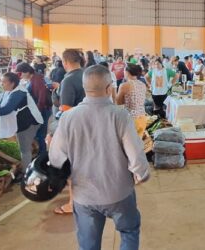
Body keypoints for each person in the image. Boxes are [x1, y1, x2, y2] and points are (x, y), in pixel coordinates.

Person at [49, 65, 150, 250]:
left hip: (84, 194)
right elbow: (135, 153)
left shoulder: (68, 118)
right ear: (108, 88)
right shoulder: (119, 115)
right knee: (129, 232)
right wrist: (141, 174)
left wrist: (65, 179)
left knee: (89, 244)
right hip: (118, 191)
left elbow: (56, 158)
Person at [50, 49, 86, 215]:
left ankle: (72, 203)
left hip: (74, 129)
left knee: (71, 167)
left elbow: (66, 109)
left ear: (65, 62)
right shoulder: (88, 75)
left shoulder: (69, 80)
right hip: (90, 126)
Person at [0, 73, 41, 175]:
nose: (1, 84)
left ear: (12, 83)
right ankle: (28, 168)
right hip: (20, 121)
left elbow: (7, 109)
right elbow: (1, 105)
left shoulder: (19, 92)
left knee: (24, 149)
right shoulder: (8, 91)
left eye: (4, 82)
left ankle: (26, 174)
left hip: (28, 122)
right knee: (24, 147)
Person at [16, 63, 53, 156]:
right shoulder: (34, 78)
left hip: (43, 110)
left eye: (22, 73)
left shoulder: (37, 79)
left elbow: (42, 96)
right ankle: (41, 153)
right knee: (39, 133)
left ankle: (42, 155)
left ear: (27, 72)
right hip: (41, 109)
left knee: (41, 134)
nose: (21, 76)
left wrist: (37, 112)